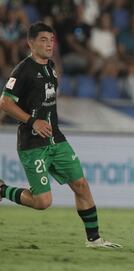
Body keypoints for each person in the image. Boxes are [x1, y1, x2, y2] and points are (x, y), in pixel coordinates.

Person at [0, 22, 120, 249]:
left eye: (51, 40)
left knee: (81, 185)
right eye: (43, 40)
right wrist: (32, 120)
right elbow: (5, 102)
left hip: (56, 139)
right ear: (31, 42)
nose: (48, 44)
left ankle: (94, 240)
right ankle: (2, 190)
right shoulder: (22, 70)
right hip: (33, 143)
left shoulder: (51, 67)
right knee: (43, 202)